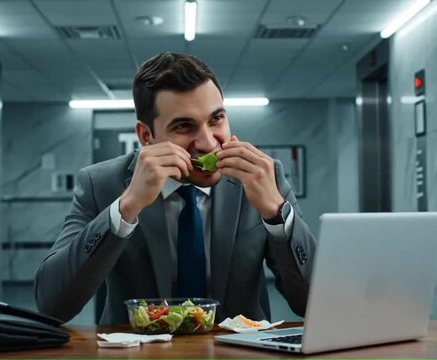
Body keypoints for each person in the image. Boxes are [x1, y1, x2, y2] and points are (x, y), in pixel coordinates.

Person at [35, 52, 316, 324]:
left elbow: (311, 302)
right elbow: (53, 305)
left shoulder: (265, 176)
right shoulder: (101, 183)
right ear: (146, 136)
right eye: (184, 126)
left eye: (216, 119)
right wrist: (127, 206)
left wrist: (277, 215)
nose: (208, 143)